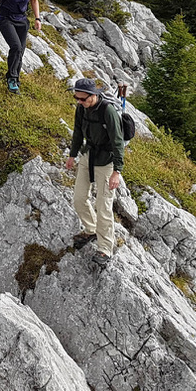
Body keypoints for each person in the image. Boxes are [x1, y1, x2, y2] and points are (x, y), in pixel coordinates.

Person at [65, 78, 124, 268]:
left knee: (103, 206)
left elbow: (118, 141)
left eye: (82, 99)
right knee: (79, 198)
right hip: (87, 156)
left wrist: (117, 171)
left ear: (93, 96)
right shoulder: (81, 108)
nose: (79, 102)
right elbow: (77, 132)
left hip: (106, 162)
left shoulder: (108, 111)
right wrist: (72, 155)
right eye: (77, 98)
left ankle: (105, 248)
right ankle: (91, 229)